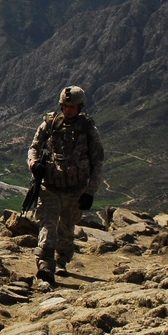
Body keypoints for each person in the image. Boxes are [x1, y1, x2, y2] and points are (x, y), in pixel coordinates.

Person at [26, 85, 104, 285]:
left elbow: (97, 161)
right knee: (47, 224)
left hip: (75, 189)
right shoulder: (50, 124)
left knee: (67, 228)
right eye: (65, 106)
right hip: (50, 185)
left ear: (80, 107)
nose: (68, 110)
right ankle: (45, 264)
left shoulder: (88, 129)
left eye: (72, 106)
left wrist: (90, 192)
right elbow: (34, 147)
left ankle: (61, 261)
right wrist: (34, 164)